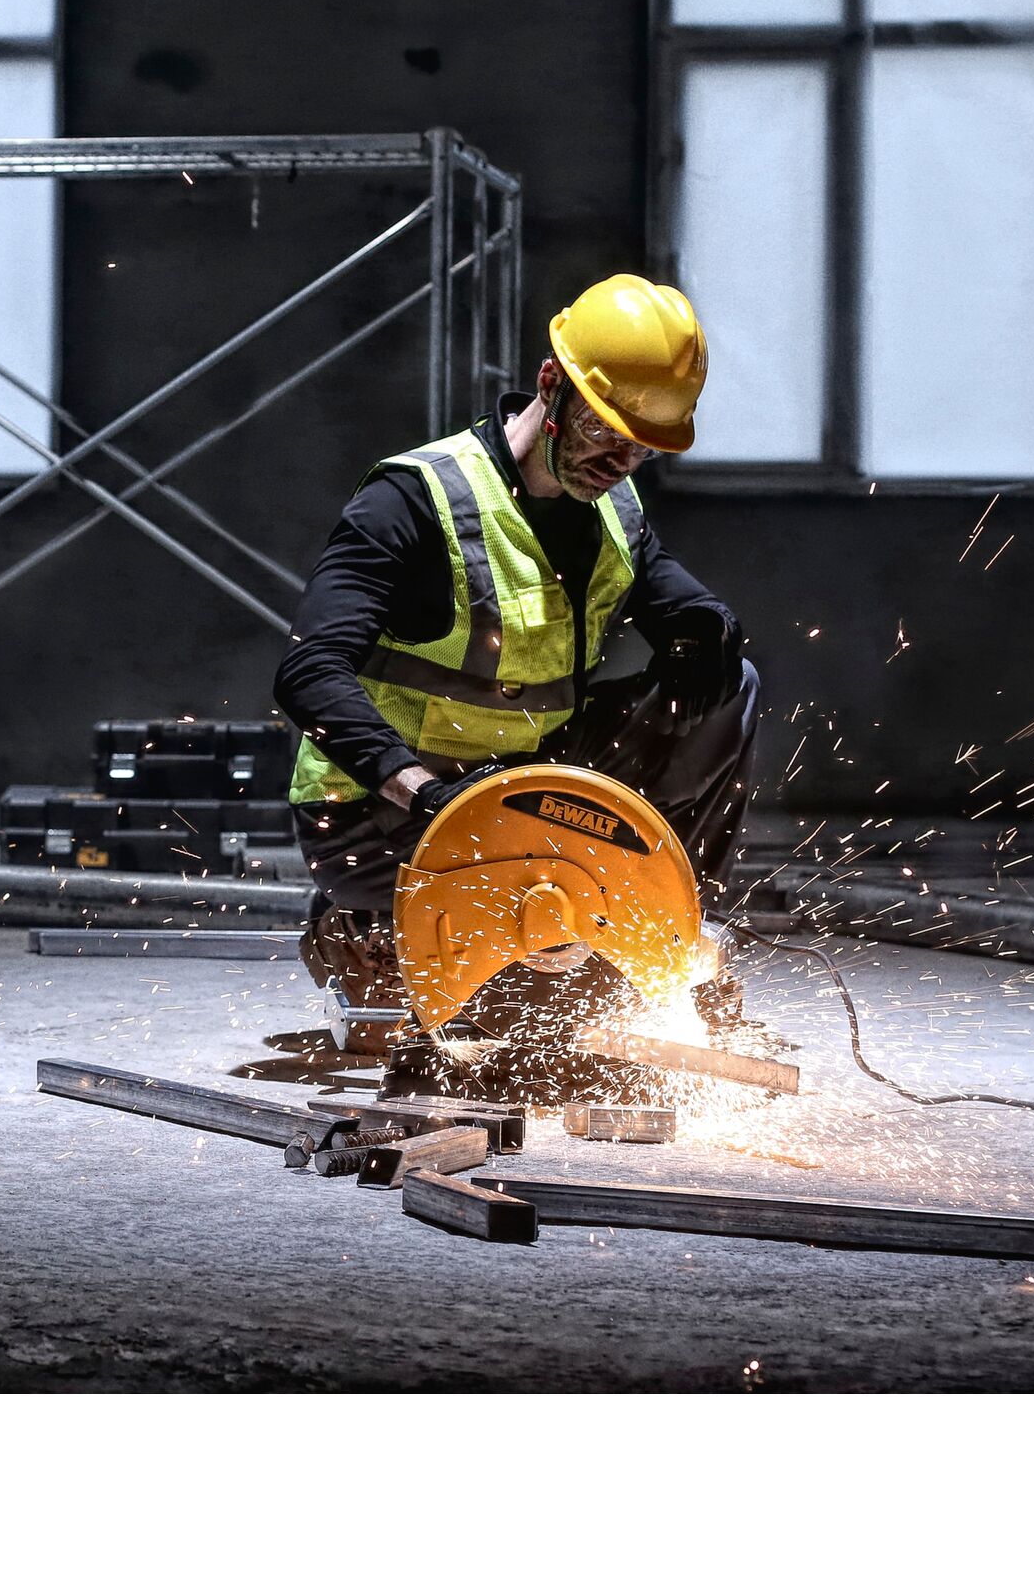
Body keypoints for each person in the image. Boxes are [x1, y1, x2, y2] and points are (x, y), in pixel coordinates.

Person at [273, 273, 758, 1023]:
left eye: (641, 448)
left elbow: (677, 596)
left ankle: (668, 924)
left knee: (733, 685)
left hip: (522, 790)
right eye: (602, 430)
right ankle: (363, 930)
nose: (617, 461)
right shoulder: (414, 500)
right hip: (386, 815)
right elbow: (308, 671)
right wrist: (425, 796)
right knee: (506, 1013)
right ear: (550, 385)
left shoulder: (612, 510)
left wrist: (708, 631)